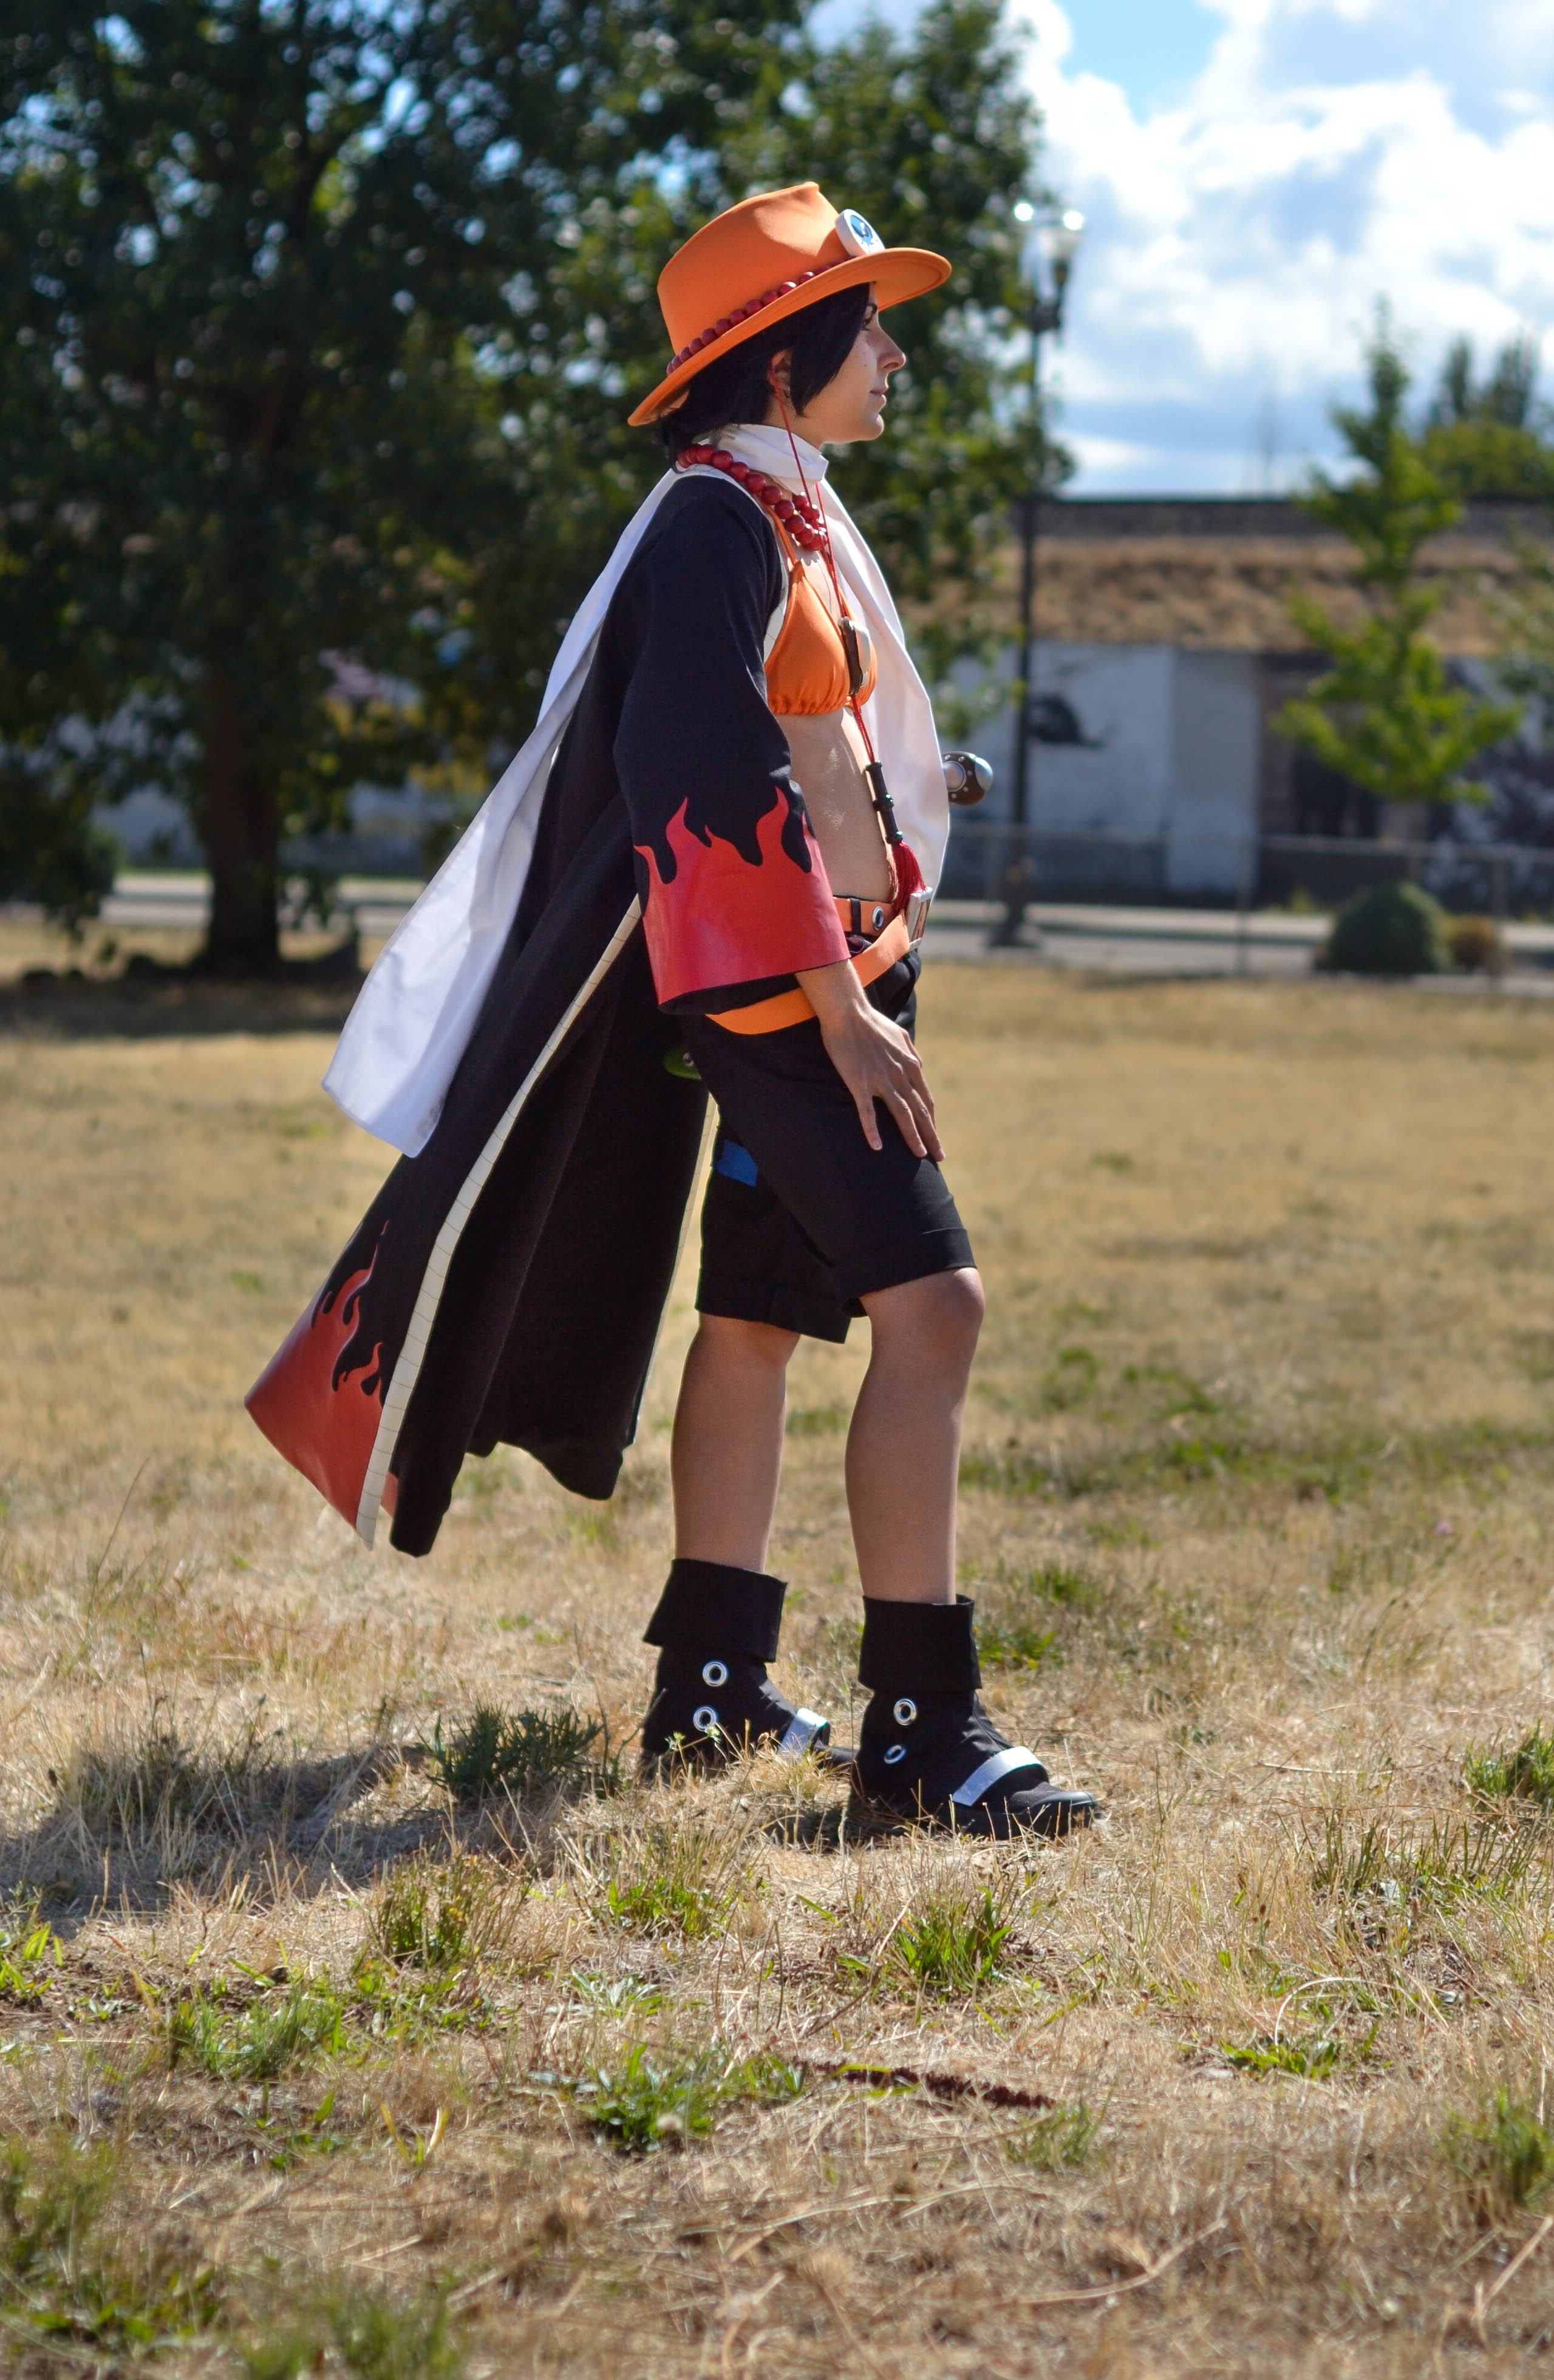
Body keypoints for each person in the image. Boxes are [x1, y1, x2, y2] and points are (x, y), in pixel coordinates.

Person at [248, 184, 1098, 1838]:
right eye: (870, 329)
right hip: (784, 995)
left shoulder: (776, 515)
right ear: (783, 363)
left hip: (820, 975)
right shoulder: (715, 525)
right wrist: (838, 1004)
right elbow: (702, 785)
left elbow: (795, 736)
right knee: (938, 1311)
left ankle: (710, 1689)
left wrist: (903, 794)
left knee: (761, 1322)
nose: (896, 358)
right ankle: (925, 1732)